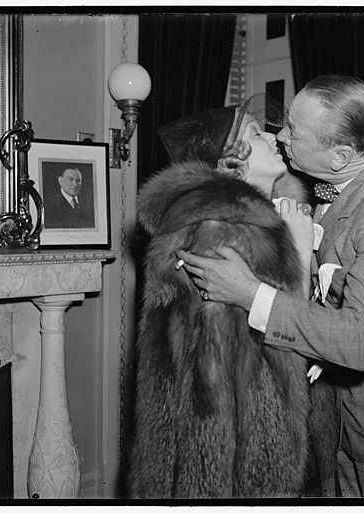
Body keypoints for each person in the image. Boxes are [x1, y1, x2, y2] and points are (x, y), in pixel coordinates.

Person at [178, 75, 364, 497]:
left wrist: (250, 292)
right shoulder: (342, 182)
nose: (281, 135)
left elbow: (362, 340)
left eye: (294, 130)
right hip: (349, 420)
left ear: (340, 156)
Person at [125, 94, 336, 498]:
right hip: (244, 443)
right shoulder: (228, 232)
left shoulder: (245, 223)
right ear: (231, 160)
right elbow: (235, 364)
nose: (273, 138)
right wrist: (299, 252)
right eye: (256, 134)